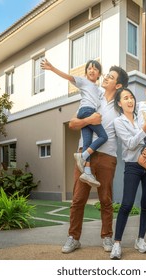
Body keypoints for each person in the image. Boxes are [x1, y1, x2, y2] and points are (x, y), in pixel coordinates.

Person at [61, 65, 129, 254]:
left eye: (111, 76)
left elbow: (134, 121)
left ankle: (107, 237)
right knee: (77, 199)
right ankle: (73, 238)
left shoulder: (121, 105)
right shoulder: (92, 95)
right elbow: (73, 123)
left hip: (108, 156)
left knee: (106, 200)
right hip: (85, 154)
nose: (106, 77)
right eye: (106, 74)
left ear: (118, 85)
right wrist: (89, 121)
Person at [110, 87, 146, 260]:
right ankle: (117, 243)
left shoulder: (142, 115)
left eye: (131, 97)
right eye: (125, 98)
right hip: (132, 165)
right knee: (127, 204)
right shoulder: (119, 122)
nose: (130, 100)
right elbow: (131, 144)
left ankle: (140, 240)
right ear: (119, 103)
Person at [41, 59, 107, 188]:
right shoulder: (83, 82)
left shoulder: (98, 89)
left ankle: (87, 172)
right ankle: (83, 155)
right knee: (103, 137)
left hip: (87, 112)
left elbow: (106, 95)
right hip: (86, 111)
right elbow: (67, 76)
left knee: (86, 143)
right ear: (86, 72)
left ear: (99, 73)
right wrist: (52, 68)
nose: (92, 70)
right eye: (89, 68)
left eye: (95, 68)